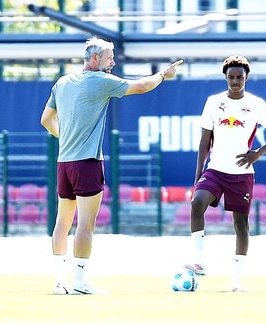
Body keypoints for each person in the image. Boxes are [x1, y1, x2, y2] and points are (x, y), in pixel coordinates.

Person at [40, 36, 183, 295]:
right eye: (109, 58)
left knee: (62, 222)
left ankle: (59, 282)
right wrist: (163, 75)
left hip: (64, 163)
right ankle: (80, 283)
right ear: (94, 59)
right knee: (86, 225)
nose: (113, 62)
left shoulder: (62, 82)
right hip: (87, 163)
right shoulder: (99, 82)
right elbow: (140, 87)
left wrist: (66, 135)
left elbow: (46, 119)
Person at [184, 55, 266, 292]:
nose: (235, 81)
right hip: (215, 170)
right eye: (231, 77)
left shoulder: (257, 104)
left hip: (242, 174)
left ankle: (237, 280)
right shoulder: (213, 102)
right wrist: (198, 174)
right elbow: (204, 141)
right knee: (197, 202)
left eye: (240, 77)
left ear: (246, 78)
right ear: (225, 78)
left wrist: (257, 154)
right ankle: (200, 261)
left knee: (241, 224)